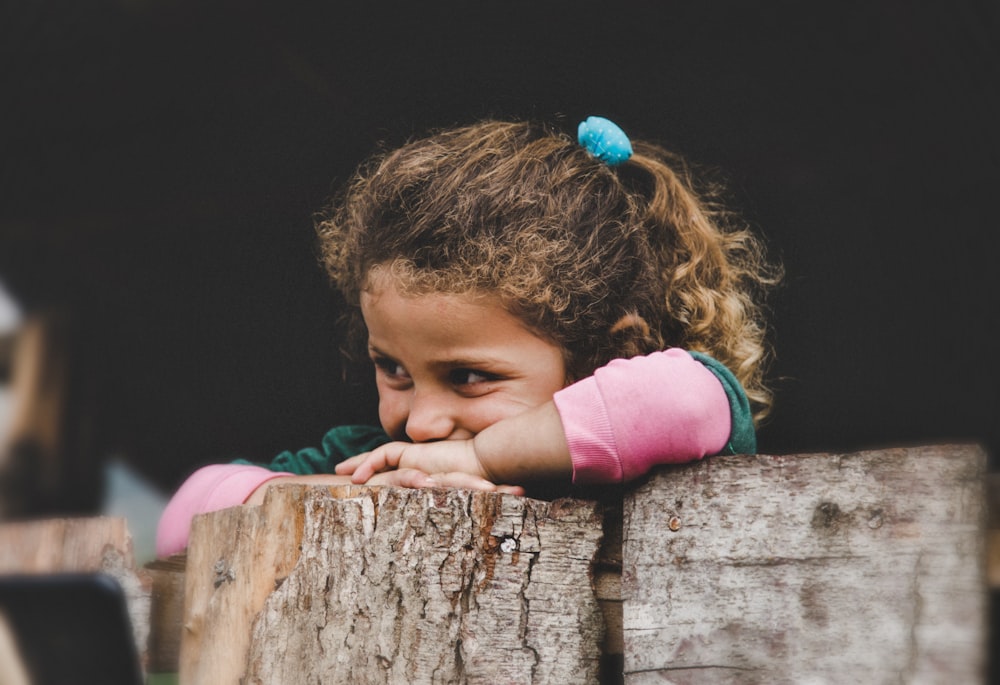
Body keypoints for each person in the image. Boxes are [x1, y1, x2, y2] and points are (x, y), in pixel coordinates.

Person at [156, 116, 780, 557]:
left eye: (469, 377)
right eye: (393, 369)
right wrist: (350, 493)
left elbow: (688, 396)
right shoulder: (372, 458)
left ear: (609, 356)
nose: (422, 424)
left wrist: (479, 458)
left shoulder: (649, 456)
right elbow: (184, 517)